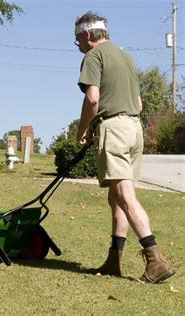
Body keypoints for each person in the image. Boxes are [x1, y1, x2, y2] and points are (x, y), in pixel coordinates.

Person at [74, 12, 174, 283]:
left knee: (125, 197)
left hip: (115, 130)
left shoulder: (94, 57)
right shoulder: (126, 58)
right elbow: (139, 104)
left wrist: (83, 130)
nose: (78, 46)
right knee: (116, 197)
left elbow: (92, 99)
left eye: (77, 41)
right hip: (134, 128)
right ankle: (113, 259)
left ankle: (155, 259)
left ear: (86, 35)